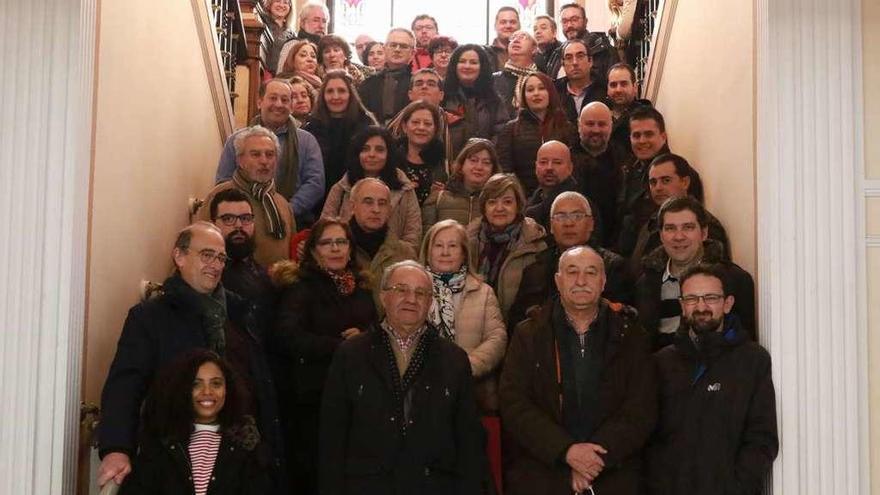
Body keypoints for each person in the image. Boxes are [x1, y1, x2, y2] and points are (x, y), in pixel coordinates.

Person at [96, 223, 284, 491]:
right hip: (172, 463)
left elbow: (260, 387)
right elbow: (125, 387)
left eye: (221, 258)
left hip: (237, 465)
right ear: (179, 256)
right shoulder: (150, 318)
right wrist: (116, 448)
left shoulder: (240, 314)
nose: (216, 265)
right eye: (206, 255)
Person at [318, 260, 486, 494]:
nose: (411, 299)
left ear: (430, 302)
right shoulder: (351, 354)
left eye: (421, 293)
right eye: (401, 290)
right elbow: (332, 436)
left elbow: (469, 439)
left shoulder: (453, 359)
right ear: (383, 296)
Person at [499, 246, 656, 495]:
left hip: (613, 466)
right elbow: (514, 403)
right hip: (544, 466)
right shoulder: (528, 334)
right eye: (572, 272)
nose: (581, 281)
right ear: (558, 281)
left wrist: (593, 458)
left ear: (603, 281)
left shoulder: (632, 335)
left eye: (591, 273)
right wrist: (566, 452)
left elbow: (641, 406)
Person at [647, 264, 778, 494]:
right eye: (691, 299)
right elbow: (649, 437)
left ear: (728, 304)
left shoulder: (753, 361)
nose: (701, 307)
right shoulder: (660, 363)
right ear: (682, 306)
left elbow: (762, 438)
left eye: (711, 298)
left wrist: (737, 487)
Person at [269, 218, 377, 494]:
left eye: (341, 242)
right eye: (326, 243)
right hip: (313, 399)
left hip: (356, 396)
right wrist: (339, 347)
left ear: (351, 248)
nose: (335, 248)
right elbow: (287, 335)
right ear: (314, 250)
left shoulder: (363, 288)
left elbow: (376, 331)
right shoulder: (300, 287)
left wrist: (365, 338)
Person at [118, 350, 268, 494]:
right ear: (182, 389)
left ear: (227, 390)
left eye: (216, 384)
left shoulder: (246, 444)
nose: (207, 392)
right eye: (196, 384)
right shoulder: (161, 443)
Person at [635, 197, 755, 350]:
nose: (679, 237)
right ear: (661, 235)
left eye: (688, 227)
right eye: (670, 228)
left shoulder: (735, 280)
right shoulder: (645, 284)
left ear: (704, 233)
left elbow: (744, 345)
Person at [508, 191, 631, 329]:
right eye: (560, 216)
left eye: (577, 216)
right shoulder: (535, 269)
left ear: (591, 224)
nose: (568, 223)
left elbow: (619, 323)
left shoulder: (612, 267)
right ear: (551, 226)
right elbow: (517, 323)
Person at [420, 220, 507, 413]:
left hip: (472, 395)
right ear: (428, 250)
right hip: (420, 392)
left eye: (452, 246)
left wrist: (463, 367)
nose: (445, 252)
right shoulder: (413, 290)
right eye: (438, 246)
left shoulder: (483, 292)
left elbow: (497, 338)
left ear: (464, 252)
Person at [215, 79, 325, 228]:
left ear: (291, 106)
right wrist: (250, 213)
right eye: (273, 98)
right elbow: (223, 183)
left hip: (295, 223)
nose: (279, 104)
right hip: (243, 225)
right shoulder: (236, 140)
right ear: (260, 102)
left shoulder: (307, 141)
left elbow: (315, 183)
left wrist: (284, 210)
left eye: (285, 100)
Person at [202, 126, 295, 267]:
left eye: (270, 154)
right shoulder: (219, 196)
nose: (264, 161)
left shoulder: (282, 204)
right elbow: (199, 246)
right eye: (256, 154)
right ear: (240, 160)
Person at [626, 153, 730, 276]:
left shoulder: (704, 223)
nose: (658, 188)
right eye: (653, 182)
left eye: (666, 180)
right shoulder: (653, 218)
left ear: (685, 182)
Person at [321, 126, 422, 247]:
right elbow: (323, 232)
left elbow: (413, 237)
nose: (372, 154)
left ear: (389, 154)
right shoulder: (341, 188)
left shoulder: (405, 189)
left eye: (379, 150)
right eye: (365, 149)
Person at [466, 173, 547, 320]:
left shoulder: (535, 244)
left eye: (507, 202)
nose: (499, 208)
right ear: (484, 207)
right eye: (492, 202)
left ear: (518, 205)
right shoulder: (467, 241)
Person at [301, 70, 377, 203]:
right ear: (323, 96)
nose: (335, 96)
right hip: (318, 201)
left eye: (341, 91)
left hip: (358, 198)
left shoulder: (367, 126)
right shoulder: (311, 128)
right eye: (330, 91)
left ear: (350, 94)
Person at [496, 72, 575, 196]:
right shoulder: (511, 129)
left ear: (550, 92)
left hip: (561, 196)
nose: (536, 93)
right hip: (523, 199)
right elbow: (505, 171)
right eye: (530, 90)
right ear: (524, 96)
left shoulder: (566, 127)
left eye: (542, 88)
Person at [208, 189, 276, 329]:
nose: (238, 225)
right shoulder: (205, 275)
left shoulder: (265, 274)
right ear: (213, 224)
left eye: (245, 218)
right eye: (228, 219)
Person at [570, 101, 632, 245]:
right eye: (590, 124)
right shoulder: (564, 159)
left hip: (611, 243)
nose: (596, 130)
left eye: (602, 124)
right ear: (579, 126)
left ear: (611, 127)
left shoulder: (626, 161)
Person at [617, 105, 671, 257]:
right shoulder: (631, 167)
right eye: (636, 135)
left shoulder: (675, 174)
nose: (642, 141)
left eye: (648, 134)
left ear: (663, 136)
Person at [347, 178, 417, 289]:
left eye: (382, 203)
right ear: (352, 206)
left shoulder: (405, 254)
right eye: (368, 202)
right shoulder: (338, 249)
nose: (376, 209)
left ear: (389, 210)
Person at [442, 44, 508, 161]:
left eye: (473, 62)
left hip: (483, 164)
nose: (467, 66)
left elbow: (501, 133)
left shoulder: (494, 100)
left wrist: (483, 156)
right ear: (454, 65)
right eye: (462, 61)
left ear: (482, 67)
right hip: (447, 164)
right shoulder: (442, 96)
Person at [422, 138, 501, 231]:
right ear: (461, 165)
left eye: (486, 163)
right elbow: (427, 240)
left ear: (493, 170)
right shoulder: (438, 199)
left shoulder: (499, 204)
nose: (479, 167)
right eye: (473, 160)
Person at [389, 100, 447, 205]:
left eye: (428, 124)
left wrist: (443, 195)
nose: (421, 127)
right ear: (405, 127)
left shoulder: (443, 163)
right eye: (415, 122)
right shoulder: (390, 159)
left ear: (435, 129)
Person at [546, 2, 619, 82]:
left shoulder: (604, 50)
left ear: (585, 21)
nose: (569, 25)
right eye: (564, 21)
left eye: (574, 20)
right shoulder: (557, 54)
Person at [359, 28, 416, 124]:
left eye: (403, 46)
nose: (397, 49)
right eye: (393, 45)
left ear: (412, 53)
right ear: (384, 49)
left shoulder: (418, 84)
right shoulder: (368, 84)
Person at [523, 140, 580, 230]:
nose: (549, 168)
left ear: (570, 168)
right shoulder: (531, 202)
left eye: (557, 162)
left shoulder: (580, 204)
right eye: (543, 162)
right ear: (536, 166)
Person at [555, 39, 607, 124]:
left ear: (590, 61)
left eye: (580, 56)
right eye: (569, 58)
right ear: (563, 64)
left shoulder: (605, 90)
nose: (575, 62)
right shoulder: (555, 92)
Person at [605, 63, 653, 152]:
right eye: (613, 85)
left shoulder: (648, 117)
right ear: (607, 89)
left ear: (634, 87)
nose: (618, 89)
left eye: (624, 84)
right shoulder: (600, 116)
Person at [492, 30, 539, 118]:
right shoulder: (493, 80)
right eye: (512, 38)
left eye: (522, 37)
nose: (516, 40)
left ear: (534, 49)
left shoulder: (543, 81)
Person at [261, 0, 296, 75]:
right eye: (278, 1)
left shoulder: (292, 34)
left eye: (285, 2)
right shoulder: (261, 22)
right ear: (270, 4)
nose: (281, 5)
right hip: (264, 72)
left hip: (285, 77)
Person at [486, 6, 521, 71]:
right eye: (503, 22)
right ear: (495, 26)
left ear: (519, 26)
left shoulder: (530, 55)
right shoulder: (484, 55)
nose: (508, 26)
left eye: (512, 22)